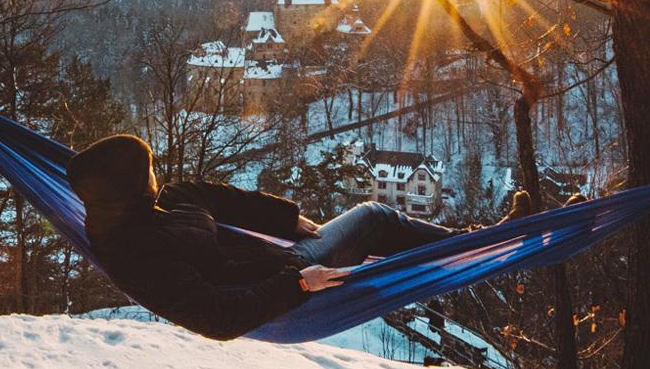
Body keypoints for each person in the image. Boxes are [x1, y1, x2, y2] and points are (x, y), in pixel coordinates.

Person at [67, 134, 531, 341]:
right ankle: (489, 241)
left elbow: (219, 197)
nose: (156, 176)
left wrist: (286, 219)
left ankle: (488, 241)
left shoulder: (162, 204)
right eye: (147, 171)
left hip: (284, 258)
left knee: (378, 225)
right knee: (374, 217)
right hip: (287, 289)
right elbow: (216, 317)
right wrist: (299, 284)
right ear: (128, 186)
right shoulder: (138, 253)